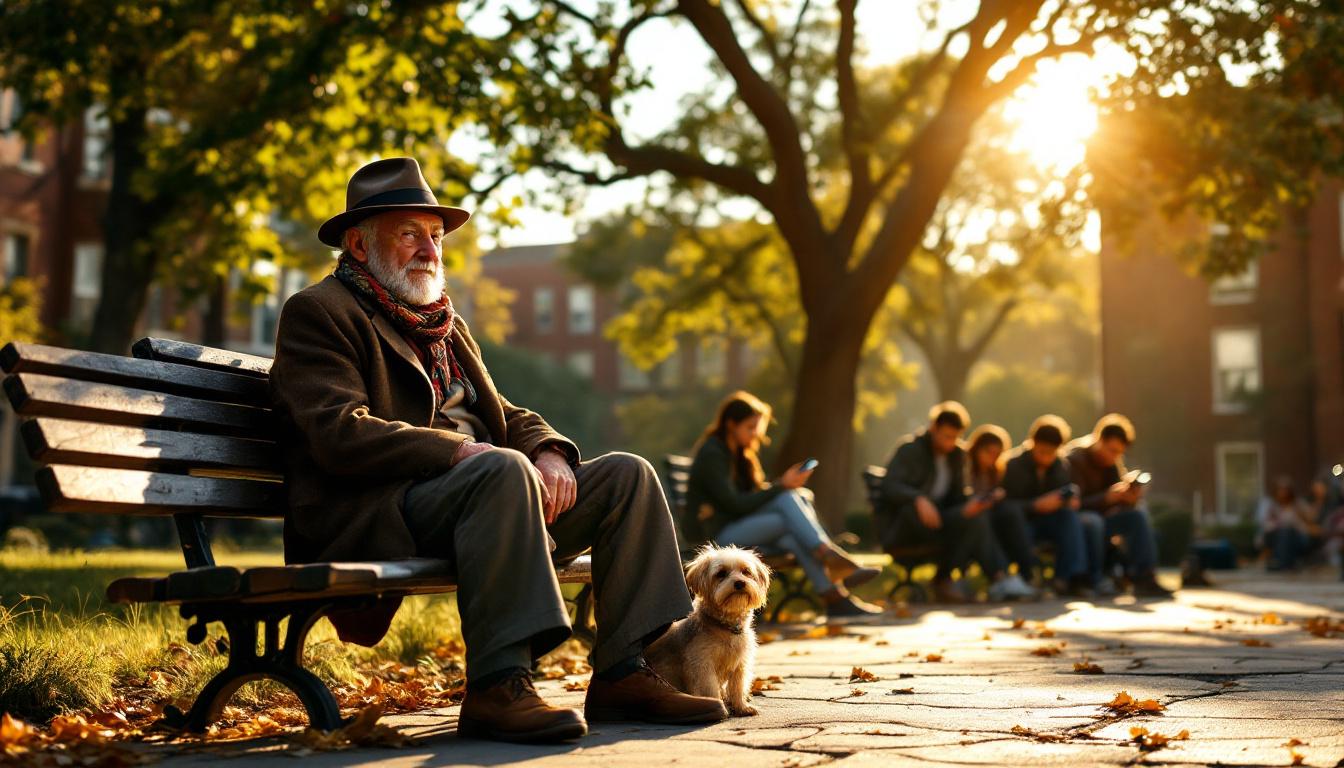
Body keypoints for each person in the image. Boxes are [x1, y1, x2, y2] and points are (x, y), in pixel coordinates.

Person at [271, 158, 726, 744]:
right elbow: (339, 430)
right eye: (409, 233)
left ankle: (623, 671)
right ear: (358, 244)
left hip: (486, 490)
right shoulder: (320, 312)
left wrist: (551, 453)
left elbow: (506, 415)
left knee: (627, 477)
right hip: (382, 507)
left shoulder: (443, 323)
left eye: (434, 236)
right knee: (501, 467)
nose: (428, 250)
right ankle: (497, 685)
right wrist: (459, 453)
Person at [687, 391, 883, 619]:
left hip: (740, 529)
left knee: (794, 518)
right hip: (719, 538)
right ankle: (828, 555)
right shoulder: (713, 453)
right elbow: (735, 505)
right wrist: (781, 486)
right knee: (786, 500)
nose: (756, 435)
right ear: (731, 424)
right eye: (750, 428)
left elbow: (752, 498)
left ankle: (835, 598)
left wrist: (786, 487)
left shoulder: (740, 455)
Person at [876, 402, 1036, 603]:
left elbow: (958, 496)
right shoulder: (910, 450)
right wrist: (917, 498)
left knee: (977, 517)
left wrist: (973, 504)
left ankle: (993, 578)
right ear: (933, 428)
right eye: (947, 436)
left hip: (941, 519)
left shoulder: (957, 455)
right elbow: (890, 485)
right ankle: (995, 578)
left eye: (956, 437)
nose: (951, 443)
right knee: (969, 525)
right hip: (909, 524)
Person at [1066, 414, 1174, 598]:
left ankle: (1144, 577)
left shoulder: (1112, 463)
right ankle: (1095, 579)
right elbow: (1073, 503)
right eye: (1112, 450)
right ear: (1099, 439)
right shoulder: (1074, 459)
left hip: (1102, 519)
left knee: (1137, 516)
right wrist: (1105, 499)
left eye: (1119, 453)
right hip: (1077, 522)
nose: (1115, 456)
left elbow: (1116, 500)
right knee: (1093, 521)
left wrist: (1128, 498)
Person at [1000, 415, 1094, 598]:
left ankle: (1068, 578)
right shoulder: (1014, 465)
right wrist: (1035, 505)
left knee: (1071, 519)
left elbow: (1066, 493)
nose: (1046, 458)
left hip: (1050, 521)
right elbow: (1006, 506)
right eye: (1042, 451)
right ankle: (1030, 575)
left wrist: (1068, 502)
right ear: (1032, 443)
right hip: (1022, 523)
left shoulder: (1060, 466)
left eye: (1051, 453)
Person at [966, 424, 1039, 601]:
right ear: (977, 449)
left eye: (997, 454)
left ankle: (1026, 574)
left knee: (1012, 512)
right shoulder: (965, 468)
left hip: (992, 516)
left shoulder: (996, 472)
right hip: (973, 517)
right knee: (983, 520)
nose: (992, 458)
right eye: (988, 452)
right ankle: (1001, 576)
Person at [1256, 476, 1317, 571]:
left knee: (1287, 533)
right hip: (1274, 536)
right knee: (1284, 533)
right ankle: (1286, 563)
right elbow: (1264, 524)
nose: (1283, 492)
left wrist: (1300, 516)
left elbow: (1311, 520)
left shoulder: (1298, 504)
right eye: (1280, 489)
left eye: (1286, 489)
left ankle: (1281, 563)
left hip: (1297, 537)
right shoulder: (1269, 505)